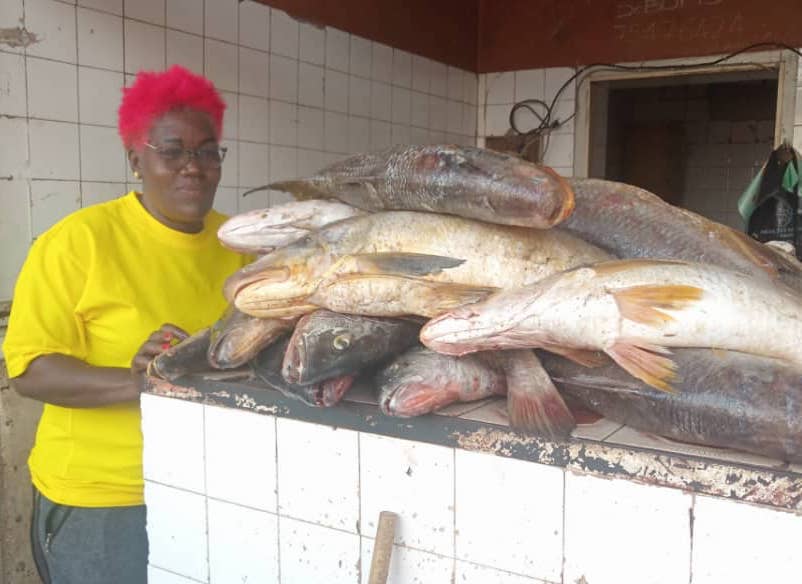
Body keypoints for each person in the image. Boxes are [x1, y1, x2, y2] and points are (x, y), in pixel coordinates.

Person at [3, 65, 247, 583]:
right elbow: (29, 371)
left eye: (207, 151)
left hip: (213, 485)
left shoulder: (238, 245)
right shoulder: (79, 242)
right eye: (172, 150)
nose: (193, 167)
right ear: (136, 159)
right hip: (106, 500)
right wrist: (141, 383)